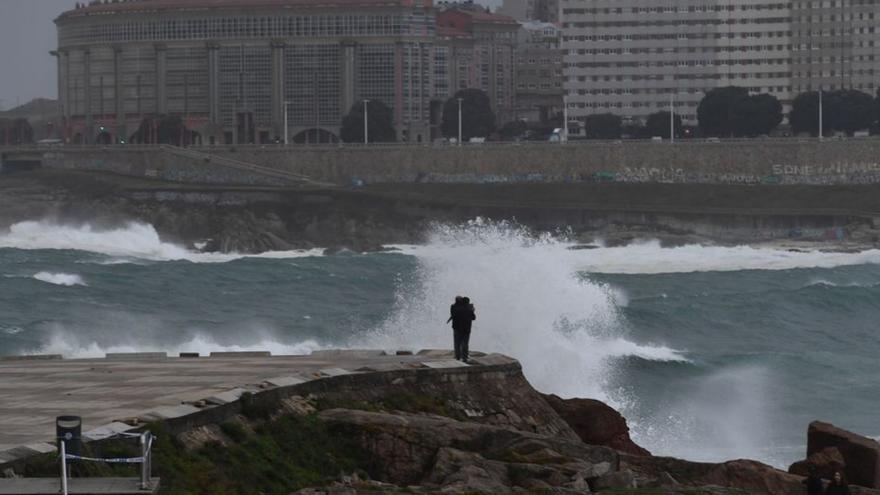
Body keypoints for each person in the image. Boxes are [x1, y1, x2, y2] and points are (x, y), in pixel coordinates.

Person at [448, 296, 475, 362]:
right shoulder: (468, 309)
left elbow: (453, 314)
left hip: (457, 328)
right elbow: (473, 318)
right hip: (466, 329)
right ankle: (464, 358)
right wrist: (472, 310)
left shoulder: (454, 307)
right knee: (465, 344)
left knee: (457, 343)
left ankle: (457, 357)